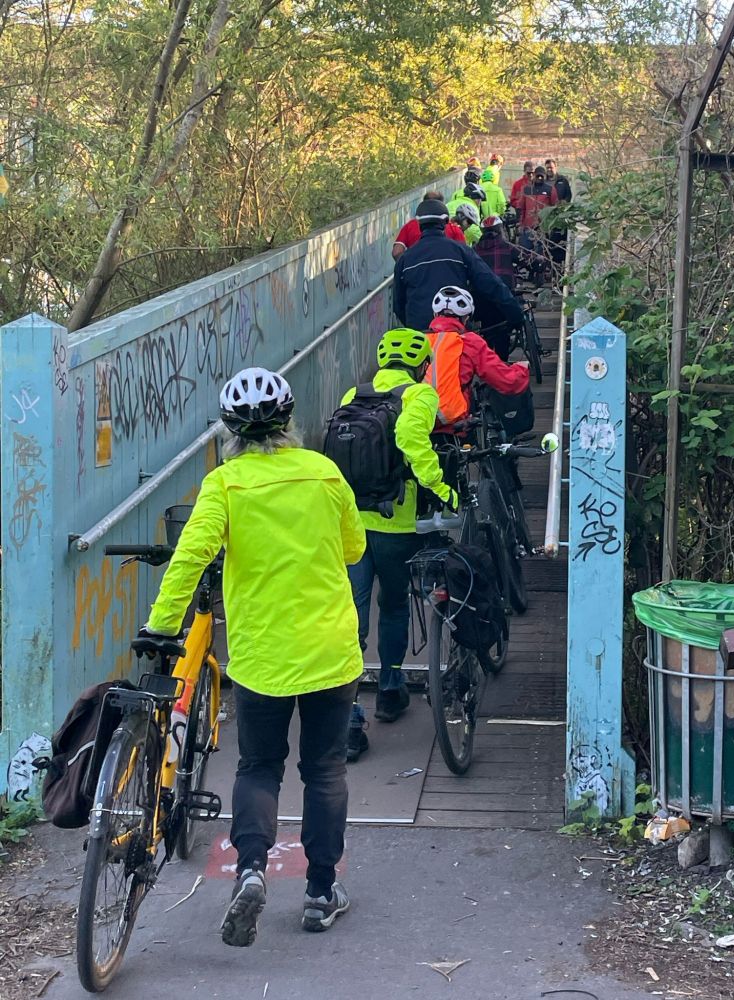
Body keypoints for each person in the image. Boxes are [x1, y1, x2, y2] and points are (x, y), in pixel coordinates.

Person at [140, 367, 366, 945]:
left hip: (263, 656)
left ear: (229, 431)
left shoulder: (226, 484)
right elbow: (353, 547)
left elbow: (191, 558)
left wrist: (162, 628)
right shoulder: (325, 473)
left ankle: (250, 872)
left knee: (259, 767)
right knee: (324, 769)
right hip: (330, 651)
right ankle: (320, 893)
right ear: (289, 422)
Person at [342, 329, 457, 757]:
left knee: (352, 615)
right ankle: (390, 689)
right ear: (423, 364)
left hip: (352, 521)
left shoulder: (357, 392)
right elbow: (411, 440)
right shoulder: (420, 395)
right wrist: (441, 486)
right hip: (395, 523)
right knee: (392, 606)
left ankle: (349, 718)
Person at [392, 198, 523, 332]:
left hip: (420, 333)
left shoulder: (405, 260)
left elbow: (398, 305)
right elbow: (491, 284)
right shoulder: (461, 251)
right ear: (445, 222)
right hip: (454, 331)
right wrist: (515, 314)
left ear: (419, 223)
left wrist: (415, 325)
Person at [426, 286, 530, 435]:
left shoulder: (418, 340)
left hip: (418, 419)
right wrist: (522, 370)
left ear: (435, 314)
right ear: (466, 318)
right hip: (453, 421)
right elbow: (506, 380)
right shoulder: (469, 342)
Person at [392, 191, 466, 259]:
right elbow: (463, 254)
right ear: (442, 206)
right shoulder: (453, 228)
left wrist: (405, 267)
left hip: (416, 271)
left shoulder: (410, 226)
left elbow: (396, 252)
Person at [518, 166, 558, 286]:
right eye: (537, 175)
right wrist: (519, 224)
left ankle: (539, 276)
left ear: (545, 176)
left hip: (542, 227)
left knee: (541, 253)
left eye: (542, 176)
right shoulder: (526, 189)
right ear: (534, 176)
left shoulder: (550, 189)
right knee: (525, 252)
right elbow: (521, 207)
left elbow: (554, 208)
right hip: (528, 226)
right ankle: (531, 272)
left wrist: (550, 225)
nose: (539, 178)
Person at [474, 215, 521, 292]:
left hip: (481, 291)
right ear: (500, 229)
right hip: (505, 292)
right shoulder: (508, 247)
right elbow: (527, 260)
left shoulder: (474, 250)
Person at [544, 159, 572, 279]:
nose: (549, 170)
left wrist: (564, 203)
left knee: (558, 246)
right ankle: (547, 270)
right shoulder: (543, 181)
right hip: (546, 218)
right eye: (547, 168)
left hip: (559, 218)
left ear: (556, 167)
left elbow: (568, 195)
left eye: (551, 167)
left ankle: (558, 273)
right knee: (546, 245)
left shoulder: (562, 181)